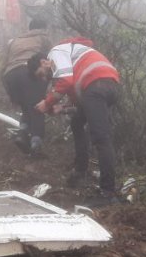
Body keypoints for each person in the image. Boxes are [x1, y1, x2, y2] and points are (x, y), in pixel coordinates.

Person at [30, 38, 121, 201]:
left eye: (41, 74)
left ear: (44, 62)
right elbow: (80, 101)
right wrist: (61, 108)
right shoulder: (72, 60)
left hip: (96, 84)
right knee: (77, 122)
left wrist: (47, 102)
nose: (44, 79)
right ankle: (81, 170)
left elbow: (66, 81)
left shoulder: (55, 52)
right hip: (107, 84)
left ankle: (107, 192)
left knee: (101, 138)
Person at [0, 17, 51, 154]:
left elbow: (4, 63)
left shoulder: (15, 40)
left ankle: (22, 134)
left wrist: (8, 88)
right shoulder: (43, 38)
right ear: (44, 28)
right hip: (28, 72)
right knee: (38, 107)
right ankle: (36, 145)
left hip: (10, 75)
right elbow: (49, 60)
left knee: (26, 107)